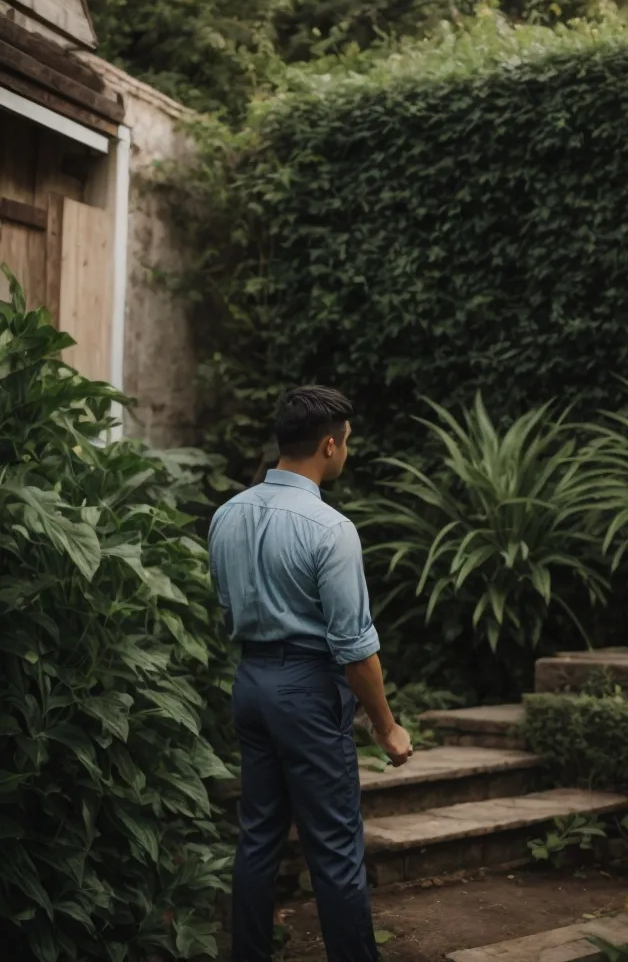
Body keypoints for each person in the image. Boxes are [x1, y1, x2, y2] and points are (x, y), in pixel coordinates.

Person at [212, 385, 412, 962]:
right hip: (305, 688)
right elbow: (353, 647)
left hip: (250, 684)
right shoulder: (330, 529)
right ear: (329, 445)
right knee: (334, 848)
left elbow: (229, 606)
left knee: (257, 841)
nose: (347, 450)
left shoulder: (227, 515)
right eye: (347, 442)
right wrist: (386, 726)